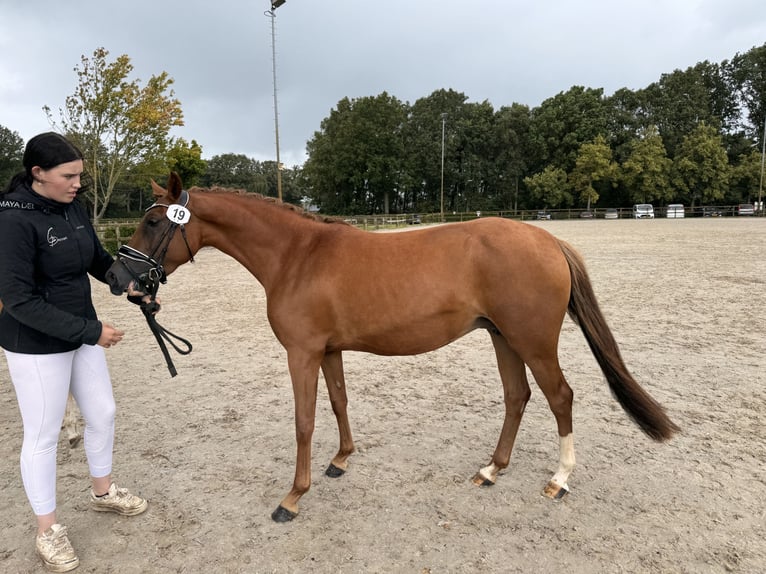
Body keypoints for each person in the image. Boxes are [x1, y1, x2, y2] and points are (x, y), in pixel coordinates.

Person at [0, 132, 148, 572]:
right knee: (43, 435)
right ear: (38, 174)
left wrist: (127, 284)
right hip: (36, 343)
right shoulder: (12, 222)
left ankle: (102, 492)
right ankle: (47, 530)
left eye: (80, 175)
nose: (77, 183)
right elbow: (18, 299)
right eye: (69, 176)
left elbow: (95, 258)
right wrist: (92, 330)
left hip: (81, 331)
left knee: (102, 412)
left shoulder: (73, 208)